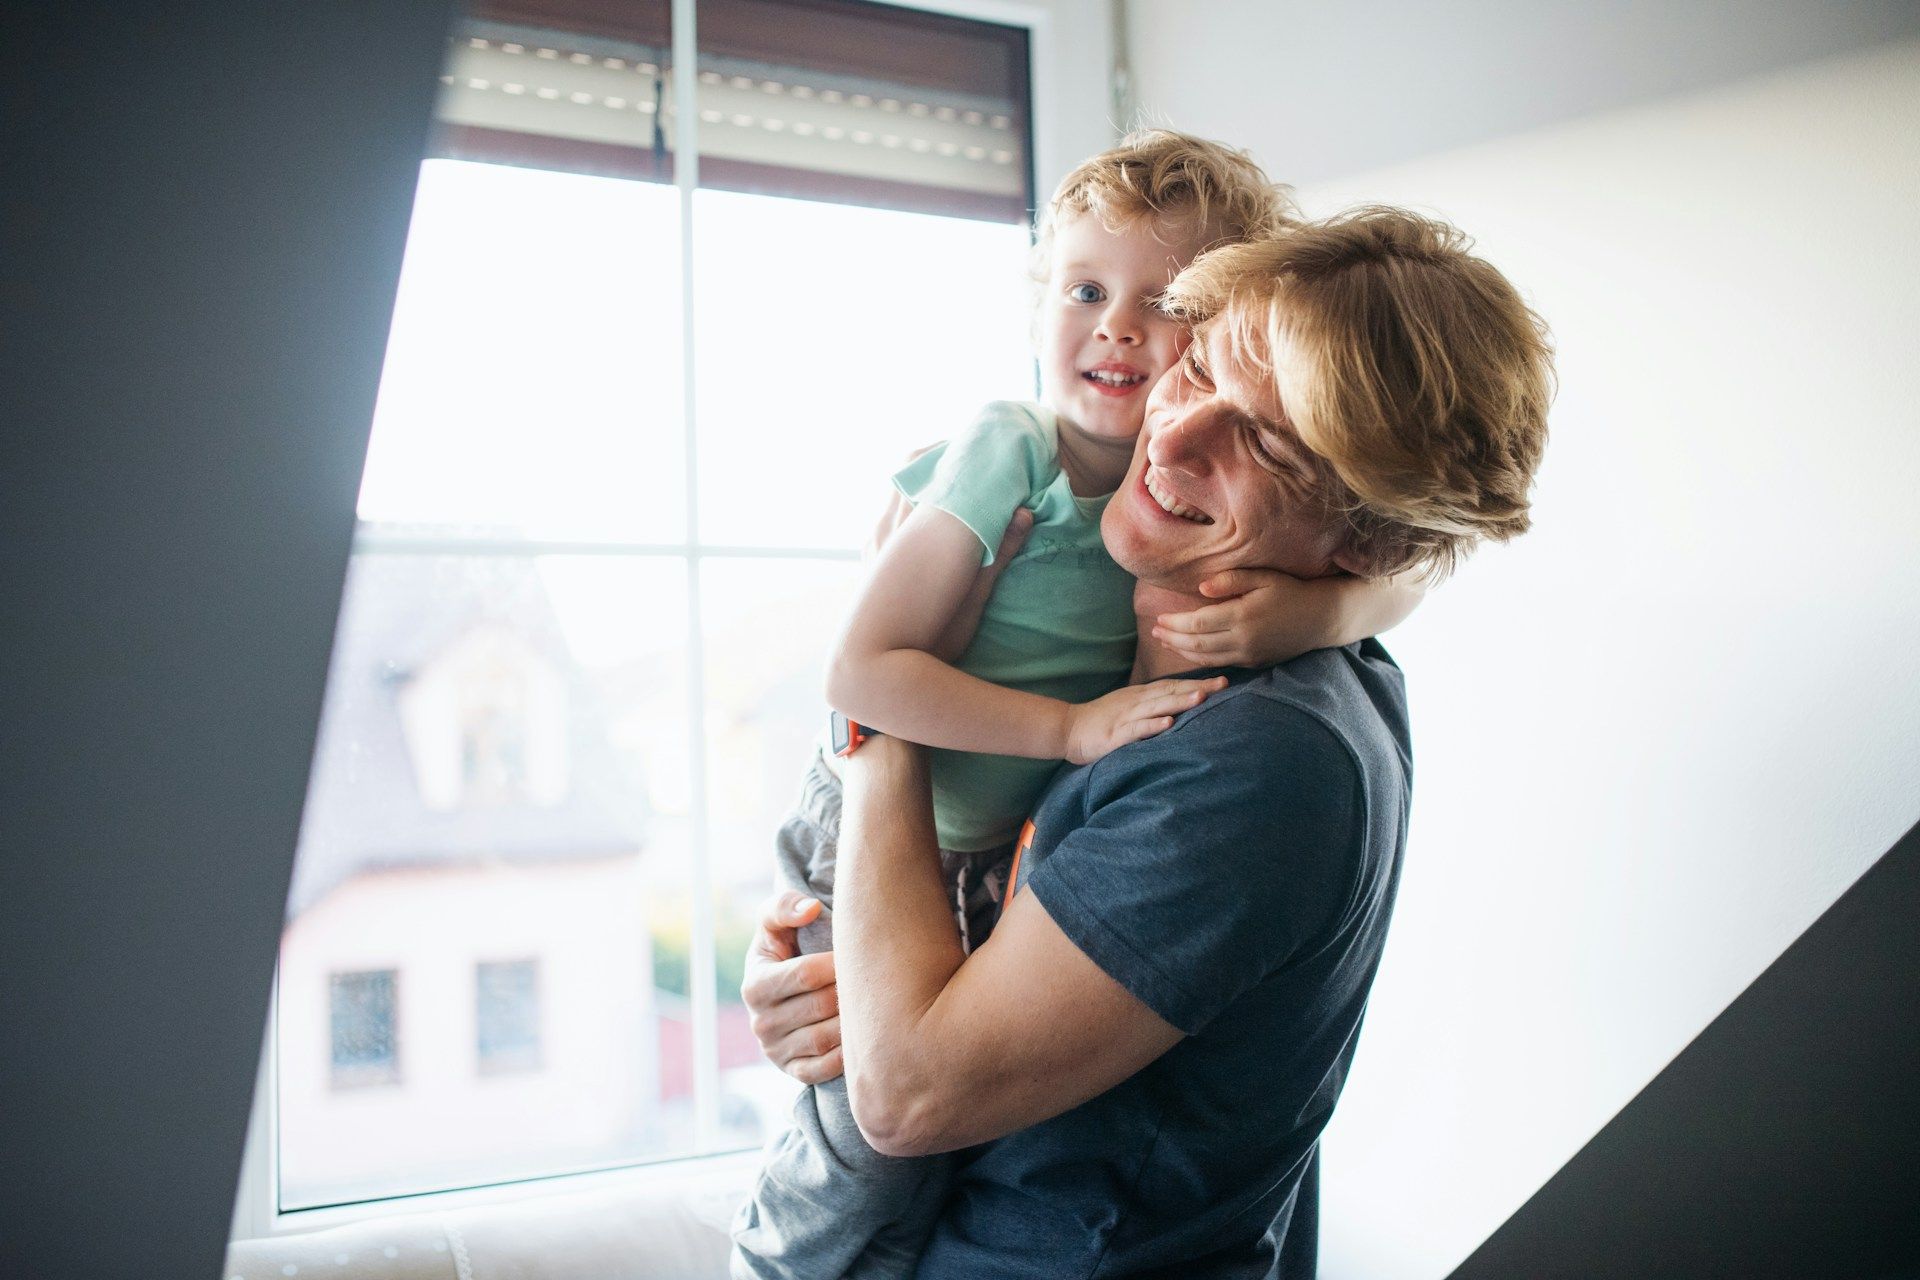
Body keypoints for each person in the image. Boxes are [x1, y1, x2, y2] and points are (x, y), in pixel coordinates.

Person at [742, 207, 1554, 1276]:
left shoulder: (1263, 760)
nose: (1169, 438)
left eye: (1264, 442)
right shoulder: (1189, 639)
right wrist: (841, 978)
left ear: (1367, 534)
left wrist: (885, 713)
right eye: (1198, 366)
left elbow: (909, 1090)